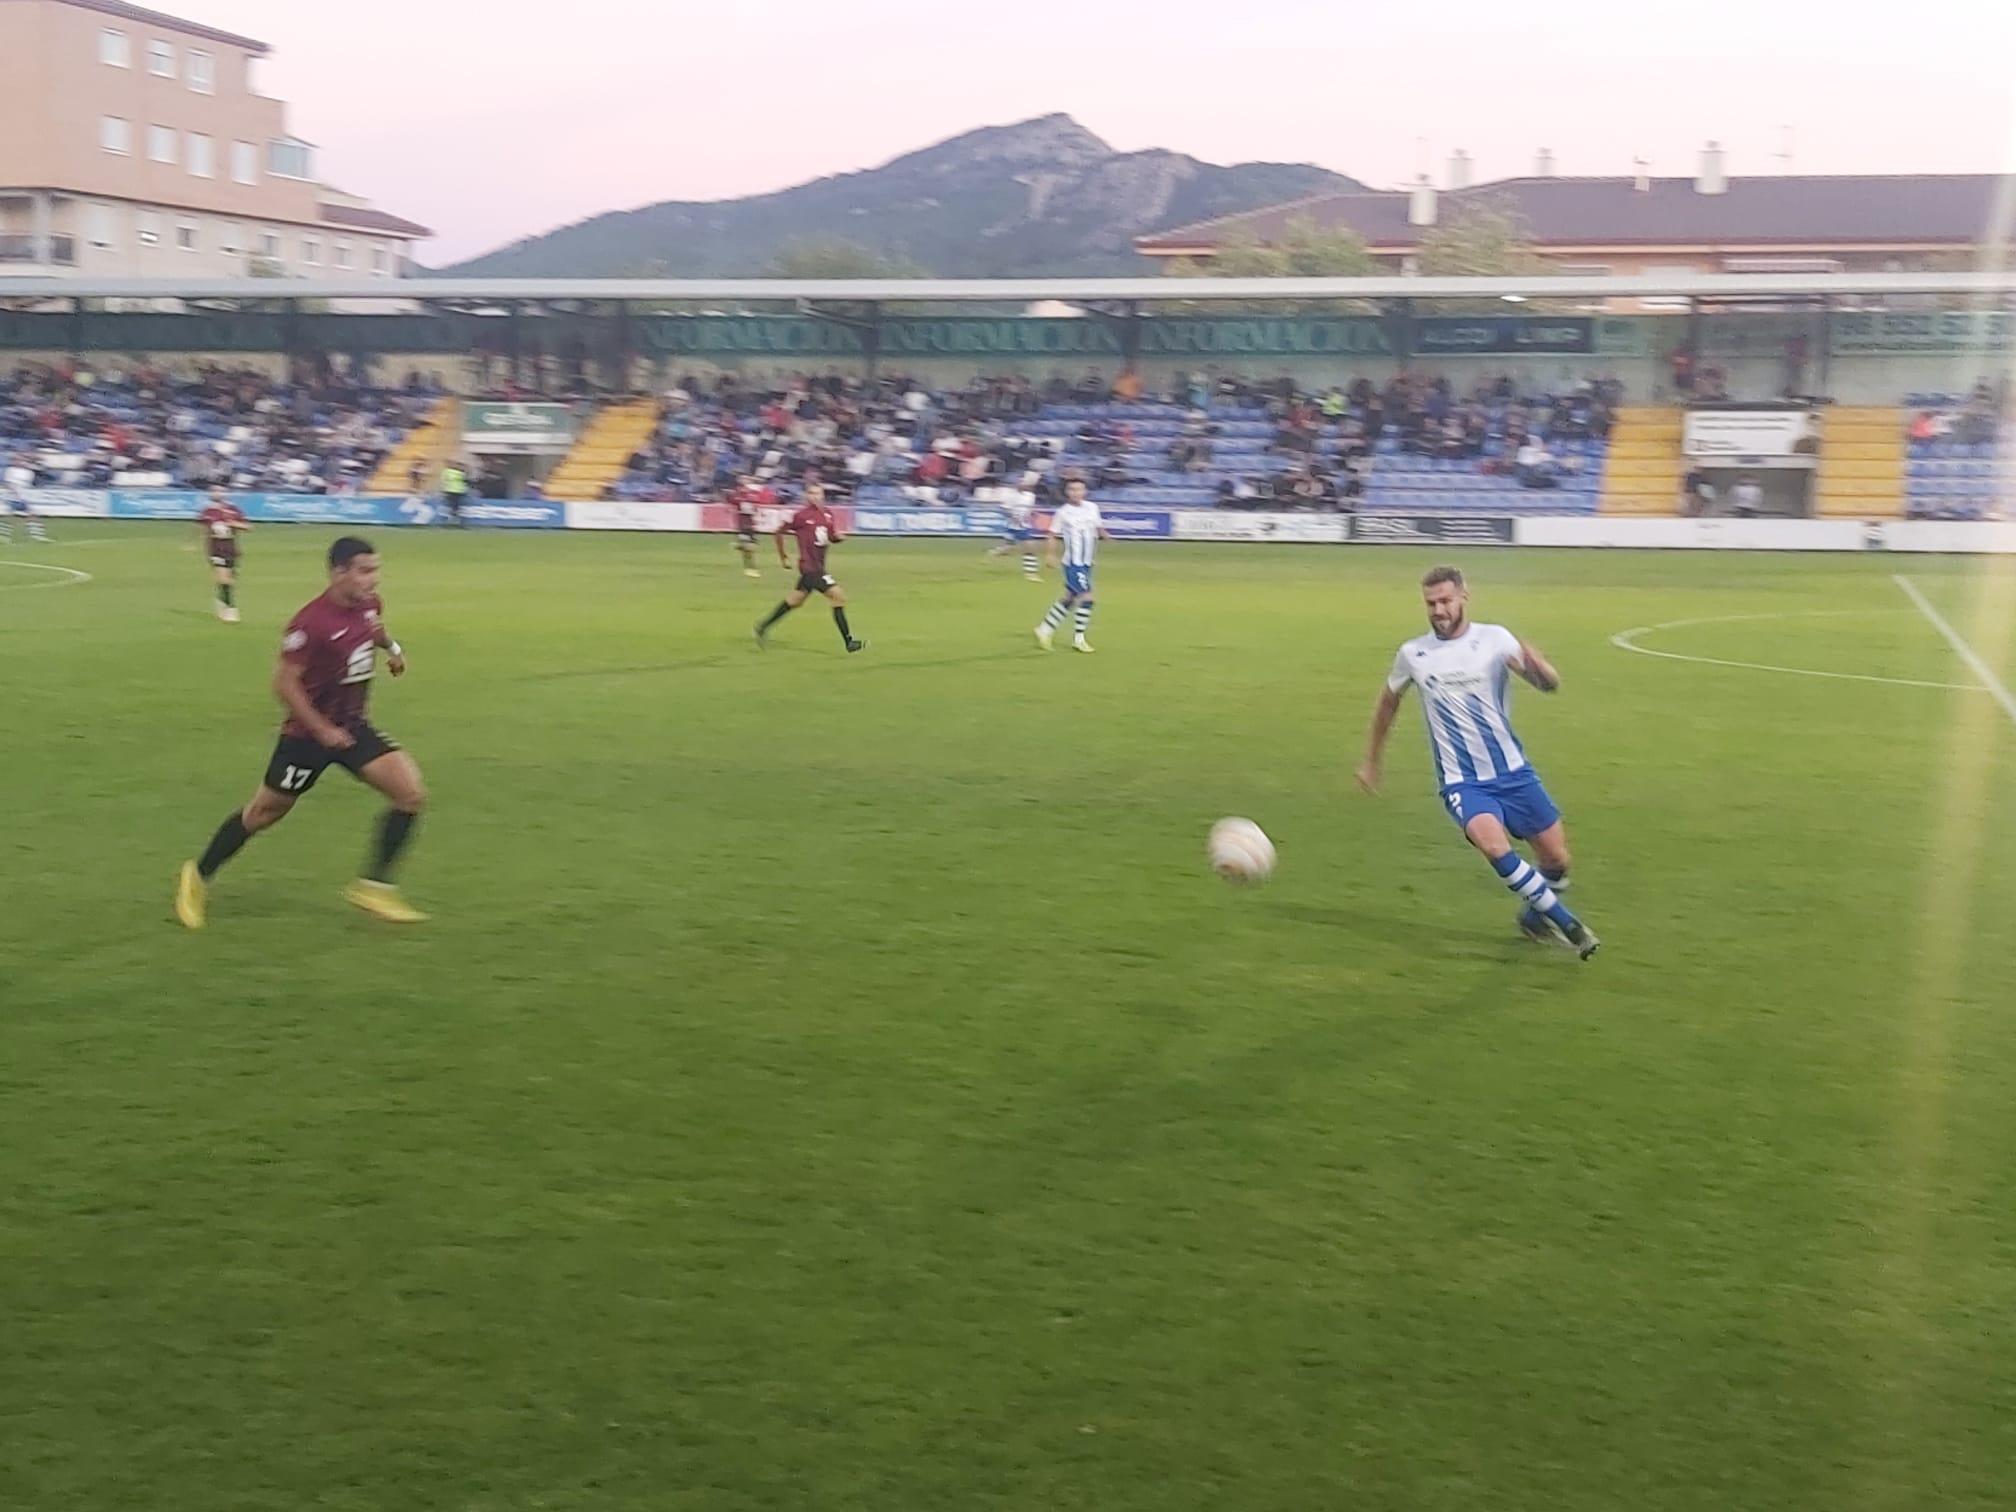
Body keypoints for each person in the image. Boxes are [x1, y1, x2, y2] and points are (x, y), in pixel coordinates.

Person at [174, 536, 429, 930]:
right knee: (262, 814)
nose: (373, 579)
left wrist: (393, 650)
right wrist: (322, 729)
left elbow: (375, 631)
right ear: (338, 572)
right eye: (364, 571)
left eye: (375, 570)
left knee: (410, 794)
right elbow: (284, 684)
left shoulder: (369, 606)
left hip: (353, 729)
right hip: (307, 739)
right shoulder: (310, 623)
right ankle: (198, 875)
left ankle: (374, 887)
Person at [1355, 565, 1600, 960]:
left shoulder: (1494, 639)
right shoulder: (1414, 654)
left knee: (1556, 860)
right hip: (1463, 783)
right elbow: (1388, 702)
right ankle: (1569, 925)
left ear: (1464, 597)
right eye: (1431, 603)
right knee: (1493, 845)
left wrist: (1542, 667)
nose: (1438, 610)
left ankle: (1534, 918)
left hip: (1514, 772)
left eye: (1445, 601)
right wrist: (1371, 761)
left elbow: (1548, 685)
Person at [754, 480, 865, 653]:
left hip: (818, 565)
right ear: (806, 496)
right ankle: (849, 642)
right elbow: (779, 531)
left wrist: (838, 538)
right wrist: (783, 556)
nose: (815, 496)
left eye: (818, 493)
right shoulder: (801, 516)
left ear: (823, 495)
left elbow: (830, 537)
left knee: (795, 600)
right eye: (811, 493)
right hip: (810, 568)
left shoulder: (828, 514)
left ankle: (762, 626)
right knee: (838, 597)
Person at [1034, 477, 1108, 654]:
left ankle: (1044, 629)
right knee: (1088, 598)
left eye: (1079, 489)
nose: (1076, 493)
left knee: (1070, 597)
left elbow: (1098, 527)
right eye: (1072, 489)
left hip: (1087, 562)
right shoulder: (1063, 513)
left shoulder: (1092, 508)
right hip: (1073, 563)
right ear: (1067, 492)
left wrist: (1106, 535)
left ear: (1085, 491)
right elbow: (1052, 534)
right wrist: (1050, 555)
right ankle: (1079, 639)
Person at [197, 486, 251, 622]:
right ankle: (231, 609)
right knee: (224, 578)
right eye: (214, 491)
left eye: (219, 491)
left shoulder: (233, 510)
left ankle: (221, 600)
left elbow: (248, 527)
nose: (216, 493)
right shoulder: (208, 511)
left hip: (232, 550)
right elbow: (201, 529)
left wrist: (233, 523)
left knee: (230, 580)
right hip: (216, 550)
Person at [988, 485, 1041, 579]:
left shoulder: (1031, 496)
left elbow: (1030, 509)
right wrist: (1012, 516)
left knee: (1013, 547)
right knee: (1028, 547)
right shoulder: (1011, 496)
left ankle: (994, 552)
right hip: (1015, 526)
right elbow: (1003, 509)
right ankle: (1031, 573)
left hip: (1024, 526)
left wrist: (1032, 514)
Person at [727, 475, 770, 578]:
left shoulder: (752, 495)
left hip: (751, 525)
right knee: (748, 549)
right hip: (742, 525)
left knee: (753, 547)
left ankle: (738, 546)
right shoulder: (736, 495)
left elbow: (757, 505)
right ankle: (750, 569)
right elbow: (731, 500)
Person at [4, 453, 45, 543]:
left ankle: (37, 535)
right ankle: (5, 536)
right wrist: (14, 492)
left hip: (23, 497)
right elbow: (8, 483)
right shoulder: (11, 470)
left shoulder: (29, 473)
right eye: (17, 460)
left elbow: (28, 485)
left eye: (22, 460)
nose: (20, 462)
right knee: (11, 517)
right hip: (13, 497)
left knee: (32, 515)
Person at [439, 460, 469, 526]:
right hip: (454, 491)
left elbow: (443, 481)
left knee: (454, 506)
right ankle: (454, 520)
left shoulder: (448, 471)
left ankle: (453, 520)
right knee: (454, 506)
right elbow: (465, 481)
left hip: (454, 491)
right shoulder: (460, 472)